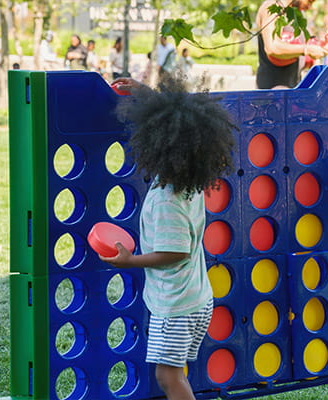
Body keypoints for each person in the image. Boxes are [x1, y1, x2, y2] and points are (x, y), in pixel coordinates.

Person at [101, 75, 236, 400]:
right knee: (174, 373)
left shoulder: (167, 198)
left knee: (169, 377)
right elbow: (181, 117)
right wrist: (149, 96)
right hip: (195, 298)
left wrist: (129, 260)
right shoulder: (187, 182)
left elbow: (175, 252)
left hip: (177, 307)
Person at [256, 0, 328, 89]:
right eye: (309, 1)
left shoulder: (296, 13)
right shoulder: (272, 7)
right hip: (272, 91)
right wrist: (307, 50)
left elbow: (300, 53)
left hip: (292, 87)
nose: (309, 7)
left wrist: (323, 48)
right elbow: (272, 47)